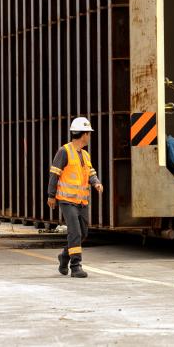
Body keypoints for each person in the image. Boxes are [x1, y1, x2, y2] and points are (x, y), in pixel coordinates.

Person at [47, 117, 103, 278]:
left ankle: (64, 256)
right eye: (89, 133)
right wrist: (51, 195)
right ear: (84, 134)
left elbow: (90, 172)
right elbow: (54, 174)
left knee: (83, 233)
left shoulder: (85, 154)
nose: (90, 136)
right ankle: (76, 266)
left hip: (81, 201)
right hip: (67, 200)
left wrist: (96, 183)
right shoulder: (64, 151)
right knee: (75, 232)